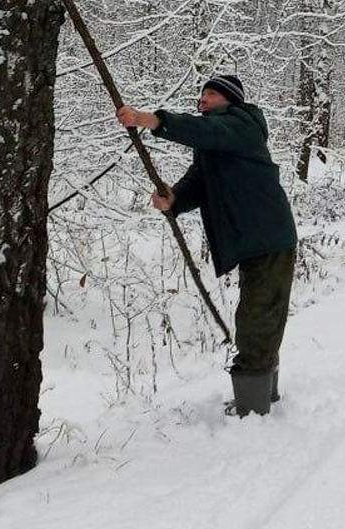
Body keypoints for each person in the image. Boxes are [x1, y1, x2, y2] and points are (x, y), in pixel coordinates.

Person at [116, 74, 298, 416]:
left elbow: (211, 131)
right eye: (201, 95)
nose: (202, 100)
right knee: (261, 313)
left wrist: (151, 120)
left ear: (231, 100)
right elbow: (199, 180)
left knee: (258, 317)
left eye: (210, 95)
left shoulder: (243, 125)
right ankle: (262, 393)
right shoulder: (214, 143)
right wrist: (175, 199)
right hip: (254, 240)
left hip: (269, 237)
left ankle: (253, 406)